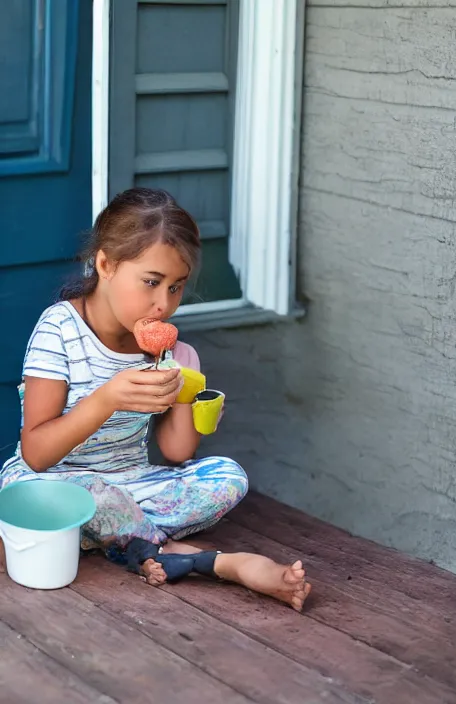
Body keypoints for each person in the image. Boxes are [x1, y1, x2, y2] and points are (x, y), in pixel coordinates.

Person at [0, 188, 311, 611]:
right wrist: (107, 398)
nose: (163, 304)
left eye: (176, 288)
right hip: (55, 482)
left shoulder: (166, 352)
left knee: (229, 475)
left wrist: (189, 391)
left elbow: (176, 451)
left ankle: (112, 538)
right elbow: (36, 453)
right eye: (151, 282)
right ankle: (202, 561)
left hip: (133, 481)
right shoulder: (60, 330)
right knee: (91, 497)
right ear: (106, 264)